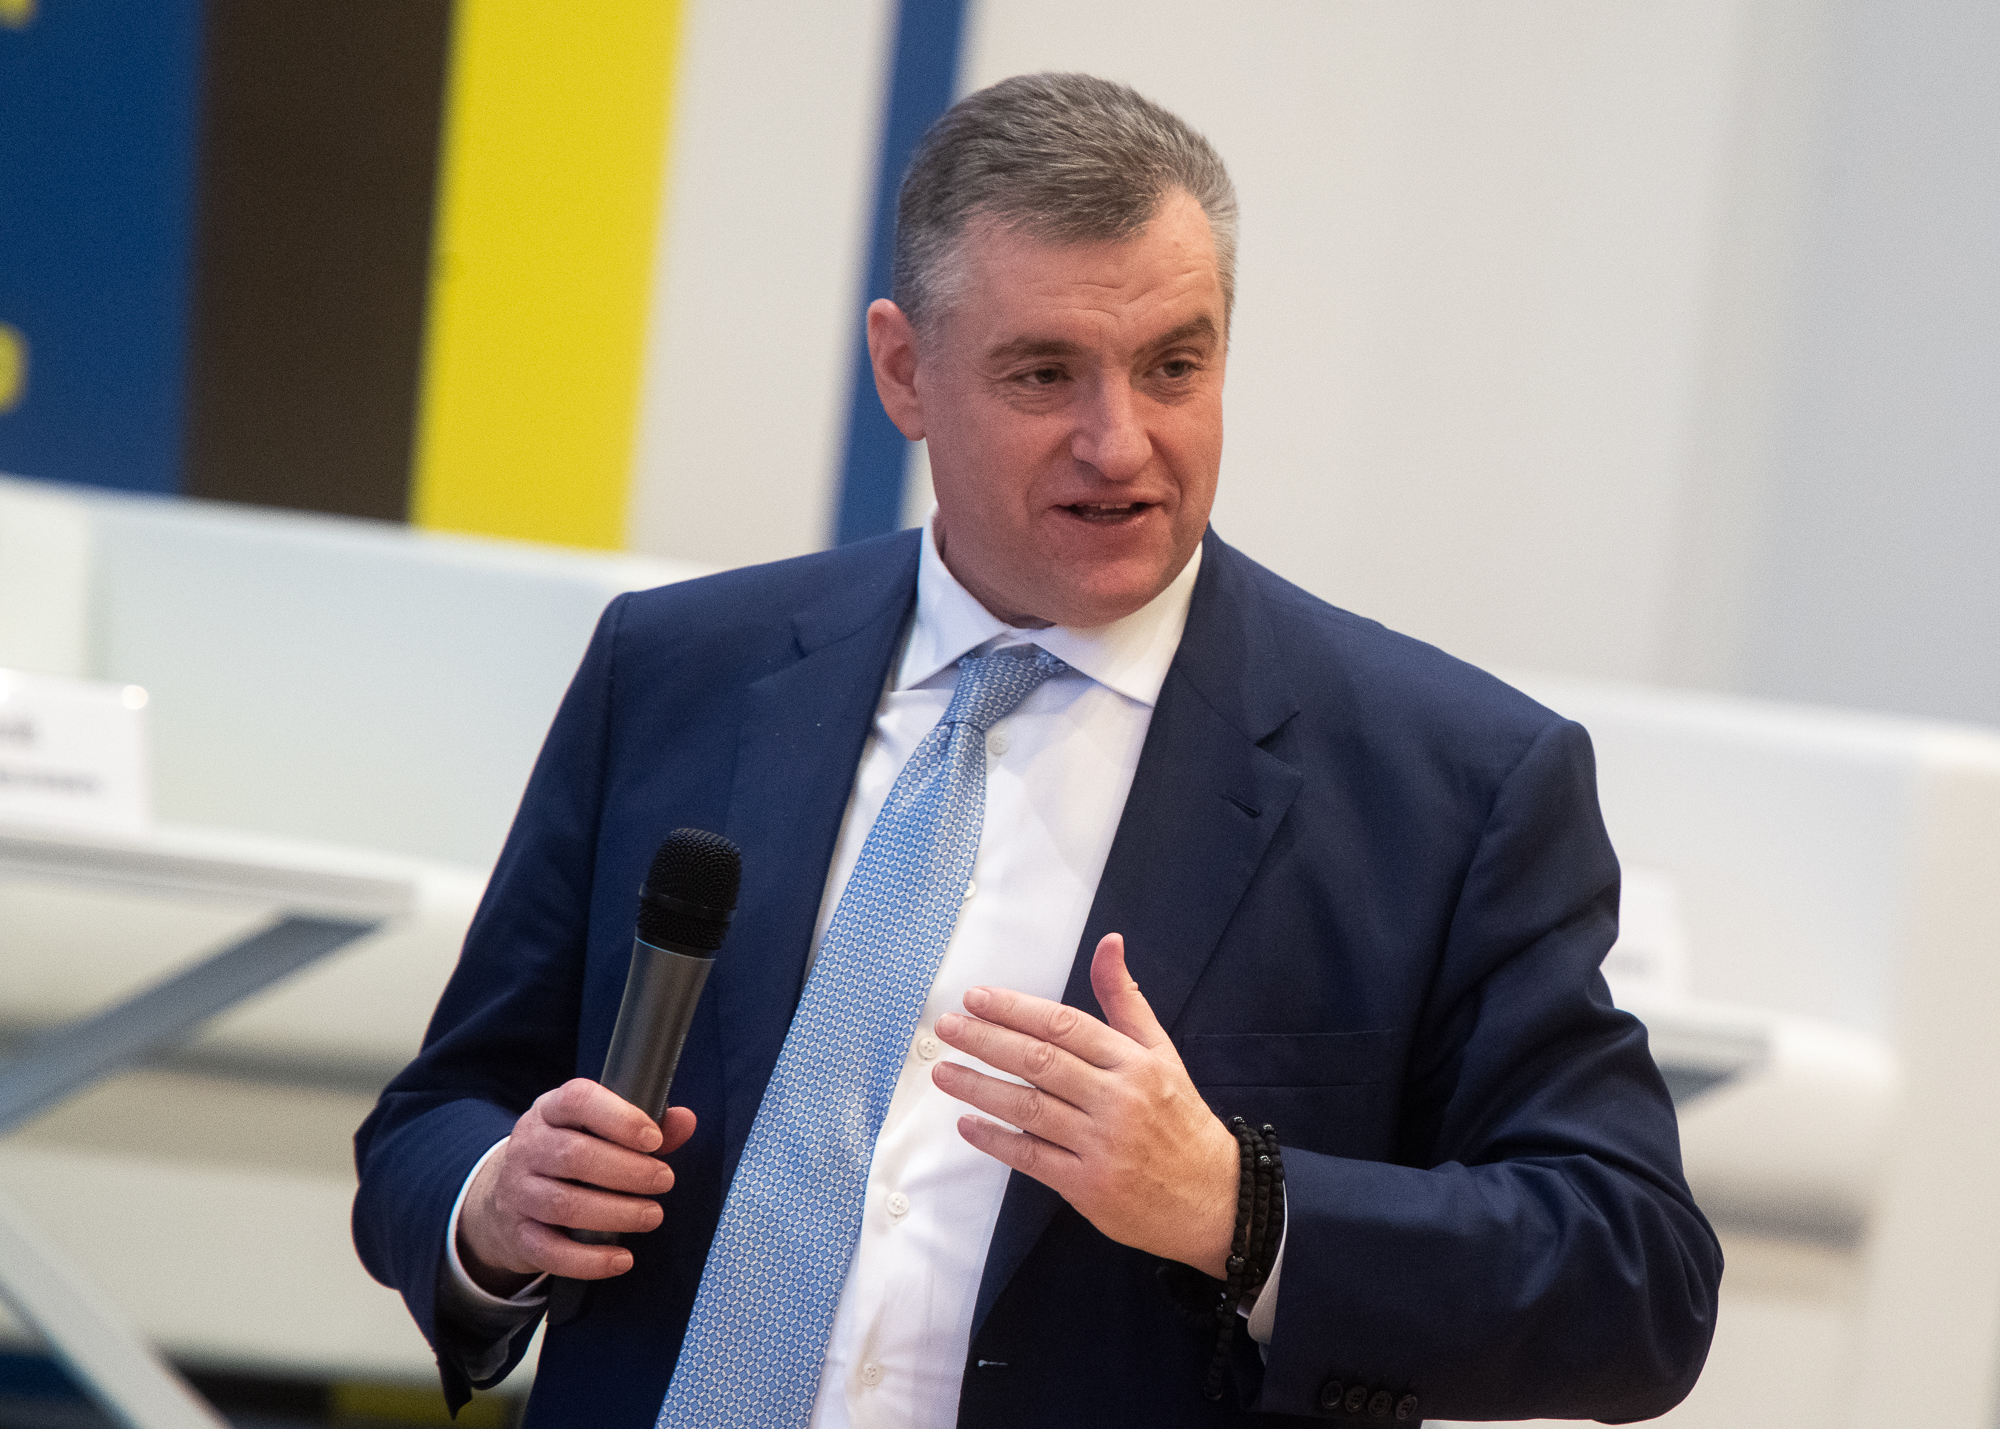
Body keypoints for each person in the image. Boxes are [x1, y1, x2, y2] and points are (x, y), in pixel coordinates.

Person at [353, 73, 1720, 1427]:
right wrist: (495, 1206)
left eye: (1174, 366)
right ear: (906, 371)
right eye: (1045, 373)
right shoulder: (676, 671)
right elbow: (441, 1111)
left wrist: (1238, 1206)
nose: (1119, 443)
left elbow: (1636, 1279)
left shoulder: (1451, 783)